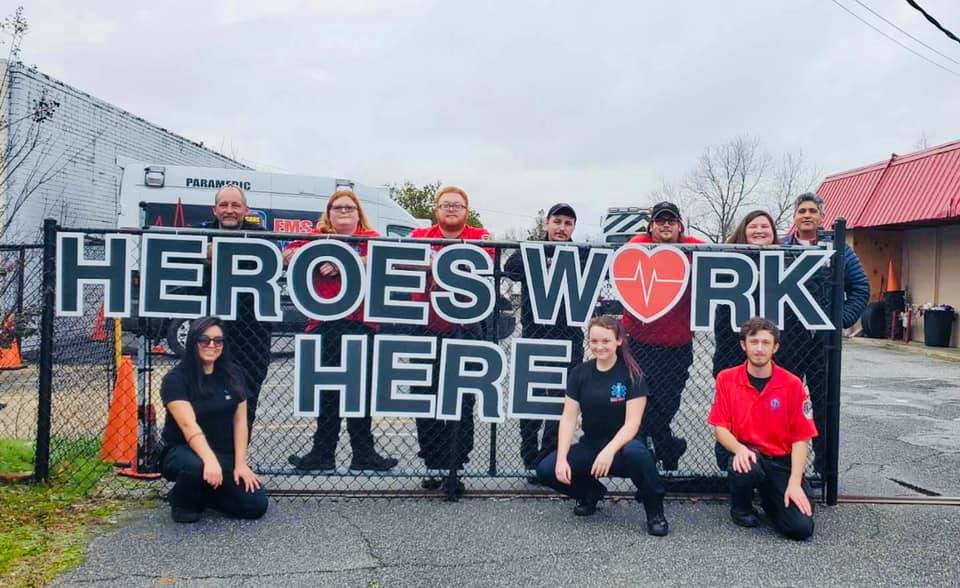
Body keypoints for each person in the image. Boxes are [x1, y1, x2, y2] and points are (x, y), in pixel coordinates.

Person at [283, 189, 399, 472]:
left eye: (349, 208)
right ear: (329, 212)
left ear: (359, 213)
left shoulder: (370, 239)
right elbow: (287, 254)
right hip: (324, 326)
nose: (344, 212)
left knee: (361, 392)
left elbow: (387, 256)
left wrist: (344, 261)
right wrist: (316, 254)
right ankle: (322, 454)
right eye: (337, 208)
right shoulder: (316, 238)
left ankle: (364, 454)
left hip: (362, 325)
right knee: (327, 393)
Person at [536, 315, 669, 536]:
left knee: (638, 454)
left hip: (625, 447)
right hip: (592, 445)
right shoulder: (580, 373)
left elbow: (632, 424)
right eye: (594, 341)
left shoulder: (632, 374)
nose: (599, 346)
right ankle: (590, 493)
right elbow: (568, 418)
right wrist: (561, 458)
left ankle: (655, 511)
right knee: (546, 470)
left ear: (619, 340)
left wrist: (609, 451)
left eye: (605, 341)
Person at [409, 186, 493, 494]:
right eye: (445, 205)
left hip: (466, 330)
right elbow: (406, 261)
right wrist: (447, 265)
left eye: (458, 205)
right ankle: (433, 463)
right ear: (436, 210)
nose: (451, 209)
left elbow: (480, 263)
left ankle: (455, 466)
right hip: (426, 327)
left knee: (462, 400)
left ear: (466, 210)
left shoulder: (481, 235)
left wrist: (436, 264)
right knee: (425, 396)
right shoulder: (420, 234)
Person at [782, 192, 870, 478]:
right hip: (788, 342)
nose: (806, 215)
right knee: (783, 405)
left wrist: (839, 320)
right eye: (801, 211)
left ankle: (824, 471)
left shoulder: (838, 250)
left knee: (823, 407)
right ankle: (781, 468)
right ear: (794, 216)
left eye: (812, 211)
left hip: (823, 344)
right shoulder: (781, 249)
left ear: (822, 216)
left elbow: (860, 288)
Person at [709, 317, 816, 540]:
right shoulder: (726, 379)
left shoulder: (793, 384)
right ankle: (741, 508)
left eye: (766, 343)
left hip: (781, 460)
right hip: (749, 455)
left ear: (775, 347)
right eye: (754, 342)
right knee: (747, 465)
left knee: (800, 529)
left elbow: (801, 438)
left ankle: (771, 497)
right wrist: (739, 449)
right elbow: (719, 428)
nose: (759, 348)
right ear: (743, 345)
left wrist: (795, 482)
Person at [503, 202, 586, 481]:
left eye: (567, 224)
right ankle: (529, 456)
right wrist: (544, 261)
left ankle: (548, 458)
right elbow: (510, 267)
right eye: (557, 222)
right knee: (531, 404)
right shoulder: (530, 249)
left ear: (573, 227)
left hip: (570, 338)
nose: (562, 228)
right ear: (547, 223)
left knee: (562, 403)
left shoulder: (581, 253)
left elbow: (600, 268)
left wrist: (561, 262)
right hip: (535, 337)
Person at [159, 316, 268, 523]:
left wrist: (241, 464)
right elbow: (188, 425)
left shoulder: (234, 374)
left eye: (218, 341)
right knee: (193, 480)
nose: (212, 345)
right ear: (193, 342)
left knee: (255, 506)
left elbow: (240, 422)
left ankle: (204, 493)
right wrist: (209, 461)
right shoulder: (175, 379)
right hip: (183, 452)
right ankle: (181, 501)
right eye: (204, 340)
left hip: (223, 453)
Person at [622, 201, 704, 470]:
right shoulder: (639, 246)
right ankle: (660, 453)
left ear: (680, 225)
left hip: (677, 343)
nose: (665, 225)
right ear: (651, 225)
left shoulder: (694, 247)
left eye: (671, 220)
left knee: (668, 401)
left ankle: (665, 446)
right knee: (640, 400)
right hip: (639, 342)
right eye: (660, 220)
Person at [203, 185, 272, 433]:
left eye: (235, 205)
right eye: (224, 205)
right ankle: (209, 461)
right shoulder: (200, 236)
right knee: (206, 397)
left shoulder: (261, 237)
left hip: (252, 334)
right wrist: (202, 255)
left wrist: (220, 254)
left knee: (246, 398)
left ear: (246, 210)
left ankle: (238, 460)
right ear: (215, 209)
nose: (229, 210)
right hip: (209, 331)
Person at [712, 210, 805, 378]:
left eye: (764, 226)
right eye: (753, 226)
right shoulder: (728, 259)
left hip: (780, 340)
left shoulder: (788, 259)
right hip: (734, 341)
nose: (759, 230)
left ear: (773, 232)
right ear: (744, 231)